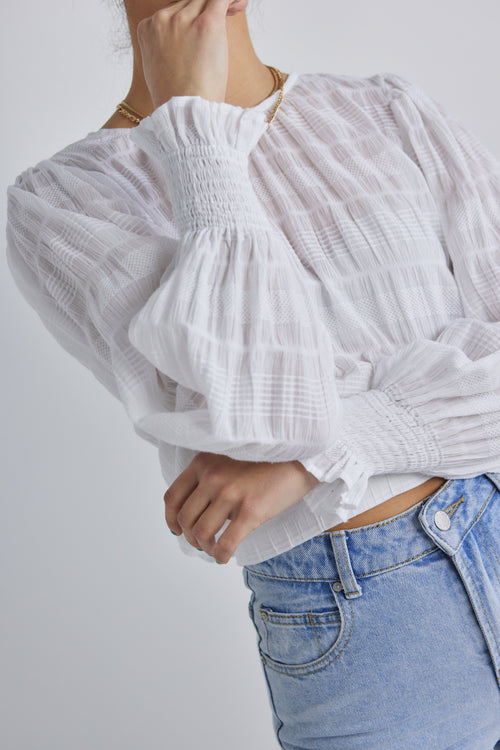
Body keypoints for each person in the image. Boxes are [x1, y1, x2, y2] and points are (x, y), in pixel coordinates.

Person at [5, 0, 500, 746]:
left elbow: (294, 438)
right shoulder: (64, 203)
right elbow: (266, 419)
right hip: (374, 616)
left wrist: (334, 449)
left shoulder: (387, 111)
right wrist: (196, 142)